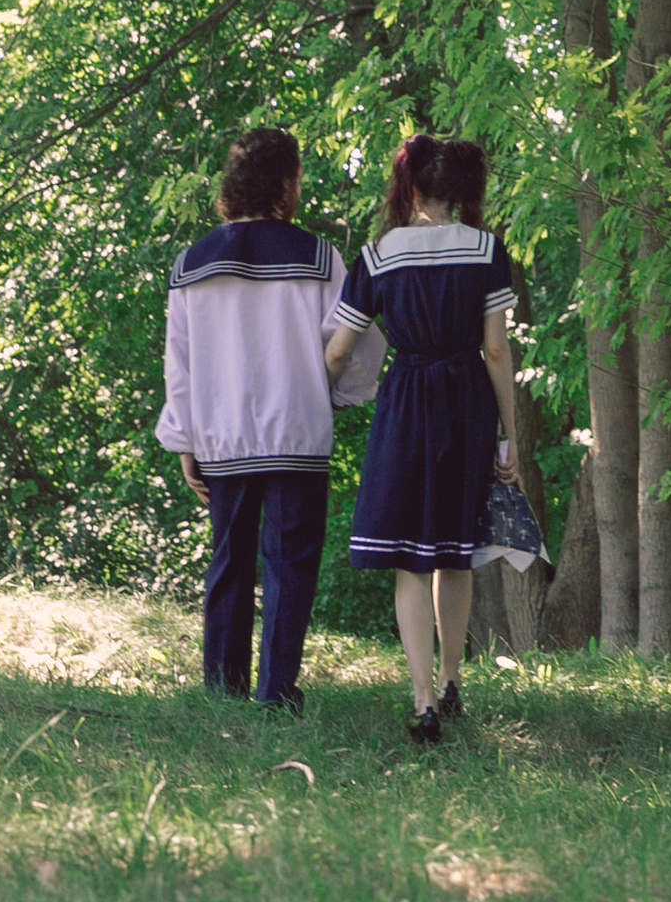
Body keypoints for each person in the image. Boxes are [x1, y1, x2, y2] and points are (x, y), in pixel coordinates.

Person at [325, 134, 520, 744]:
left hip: (407, 399)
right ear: (464, 189)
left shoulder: (379, 255)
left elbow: (340, 348)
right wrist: (508, 437)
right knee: (454, 548)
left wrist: (324, 395)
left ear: (409, 186)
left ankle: (422, 697)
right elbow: (494, 349)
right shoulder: (486, 248)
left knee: (409, 554)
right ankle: (455, 677)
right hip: (466, 399)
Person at [156, 126, 345, 714]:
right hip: (296, 431)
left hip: (222, 434)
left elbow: (179, 364)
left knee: (229, 562)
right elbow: (353, 343)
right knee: (290, 566)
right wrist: (327, 393)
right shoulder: (318, 256)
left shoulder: (192, 264)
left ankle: (222, 688)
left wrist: (185, 438)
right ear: (288, 184)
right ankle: (278, 693)